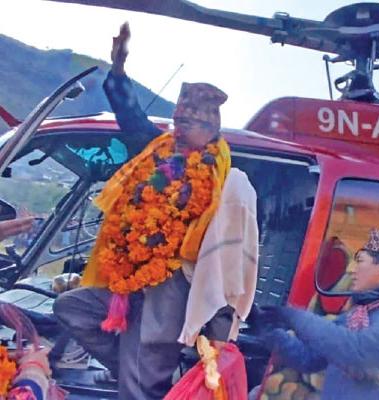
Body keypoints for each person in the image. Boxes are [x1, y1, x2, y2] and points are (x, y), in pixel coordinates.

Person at [53, 23, 258, 399]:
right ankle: (136, 375)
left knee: (139, 386)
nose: (177, 129)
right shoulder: (159, 151)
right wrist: (118, 71)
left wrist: (218, 337)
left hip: (169, 301)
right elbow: (133, 119)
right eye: (177, 120)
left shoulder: (229, 182)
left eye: (187, 123)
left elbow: (227, 265)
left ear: (209, 127)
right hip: (128, 287)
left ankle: (143, 380)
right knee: (71, 308)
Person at [253, 229, 379, 400]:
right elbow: (309, 358)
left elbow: (360, 354)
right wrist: (268, 330)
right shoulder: (358, 315)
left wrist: (295, 317)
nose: (352, 269)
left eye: (360, 261)